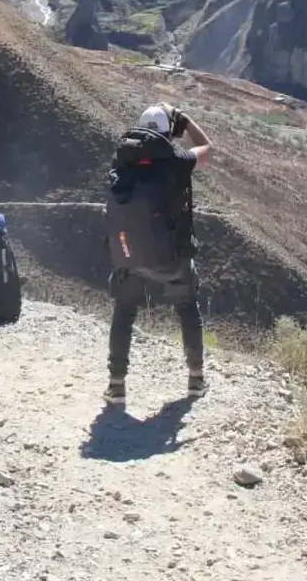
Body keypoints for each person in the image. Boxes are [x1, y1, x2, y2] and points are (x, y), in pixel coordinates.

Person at [104, 102, 212, 405]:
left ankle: (116, 385)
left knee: (124, 312)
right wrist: (187, 121)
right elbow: (207, 149)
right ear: (169, 132)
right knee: (187, 307)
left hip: (129, 256)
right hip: (171, 257)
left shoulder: (119, 163)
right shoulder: (176, 162)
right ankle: (195, 379)